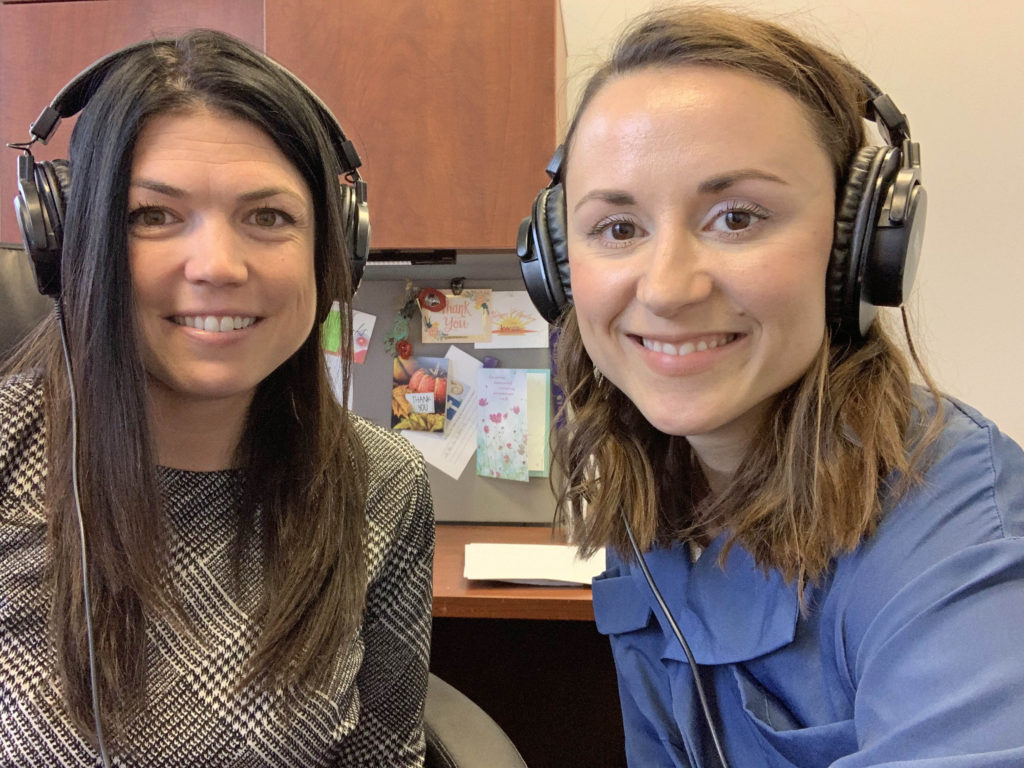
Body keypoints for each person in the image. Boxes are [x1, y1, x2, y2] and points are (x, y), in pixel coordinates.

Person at [518, 6, 1024, 767]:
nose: (667, 288)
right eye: (618, 229)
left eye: (737, 217)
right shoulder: (649, 477)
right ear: (559, 270)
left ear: (858, 247)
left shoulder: (955, 526)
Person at [0, 30, 434, 767]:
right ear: (71, 240)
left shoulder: (382, 485)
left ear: (334, 252)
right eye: (153, 216)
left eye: (268, 217)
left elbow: (384, 757)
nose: (218, 267)